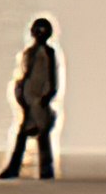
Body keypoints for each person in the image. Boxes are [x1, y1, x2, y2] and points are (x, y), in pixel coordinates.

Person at [4, 17, 64, 180]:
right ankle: (19, 168)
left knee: (37, 136)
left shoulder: (47, 53)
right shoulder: (31, 53)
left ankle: (42, 170)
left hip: (39, 101)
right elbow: (26, 74)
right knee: (27, 135)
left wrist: (46, 97)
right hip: (31, 101)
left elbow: (51, 79)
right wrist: (22, 95)